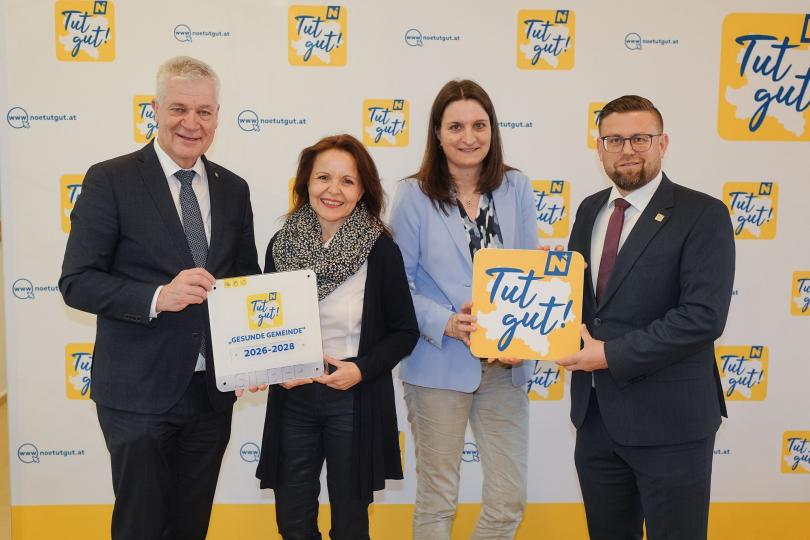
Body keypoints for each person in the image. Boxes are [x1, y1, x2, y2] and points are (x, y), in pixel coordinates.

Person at [59, 56, 260, 539]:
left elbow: (245, 280)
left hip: (211, 394)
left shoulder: (233, 189)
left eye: (204, 111)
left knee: (191, 526)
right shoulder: (110, 179)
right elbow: (77, 281)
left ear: (217, 116)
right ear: (155, 109)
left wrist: (255, 354)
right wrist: (157, 297)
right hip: (137, 393)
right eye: (179, 109)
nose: (192, 123)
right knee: (142, 526)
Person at [557, 95, 735, 540]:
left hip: (672, 424)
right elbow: (582, 304)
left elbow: (702, 317)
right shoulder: (589, 209)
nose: (627, 150)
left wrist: (609, 355)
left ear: (663, 143)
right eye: (614, 140)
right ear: (599, 148)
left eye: (640, 138)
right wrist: (532, 296)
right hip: (596, 420)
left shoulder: (703, 214)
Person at [388, 80, 538, 539]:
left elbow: (531, 274)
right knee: (438, 501)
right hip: (438, 363)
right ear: (437, 133)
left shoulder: (517, 187)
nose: (468, 137)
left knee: (508, 500)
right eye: (455, 126)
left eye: (479, 125)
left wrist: (530, 326)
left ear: (493, 129)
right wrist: (447, 322)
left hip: (505, 367)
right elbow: (396, 288)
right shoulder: (414, 195)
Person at [254, 134, 419, 540]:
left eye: (348, 181)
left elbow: (404, 332)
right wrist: (270, 365)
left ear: (362, 190)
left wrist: (360, 370)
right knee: (292, 521)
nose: (333, 190)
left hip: (353, 398)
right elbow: (265, 323)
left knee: (349, 524)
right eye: (323, 177)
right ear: (306, 183)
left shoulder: (380, 249)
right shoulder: (281, 245)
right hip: (294, 396)